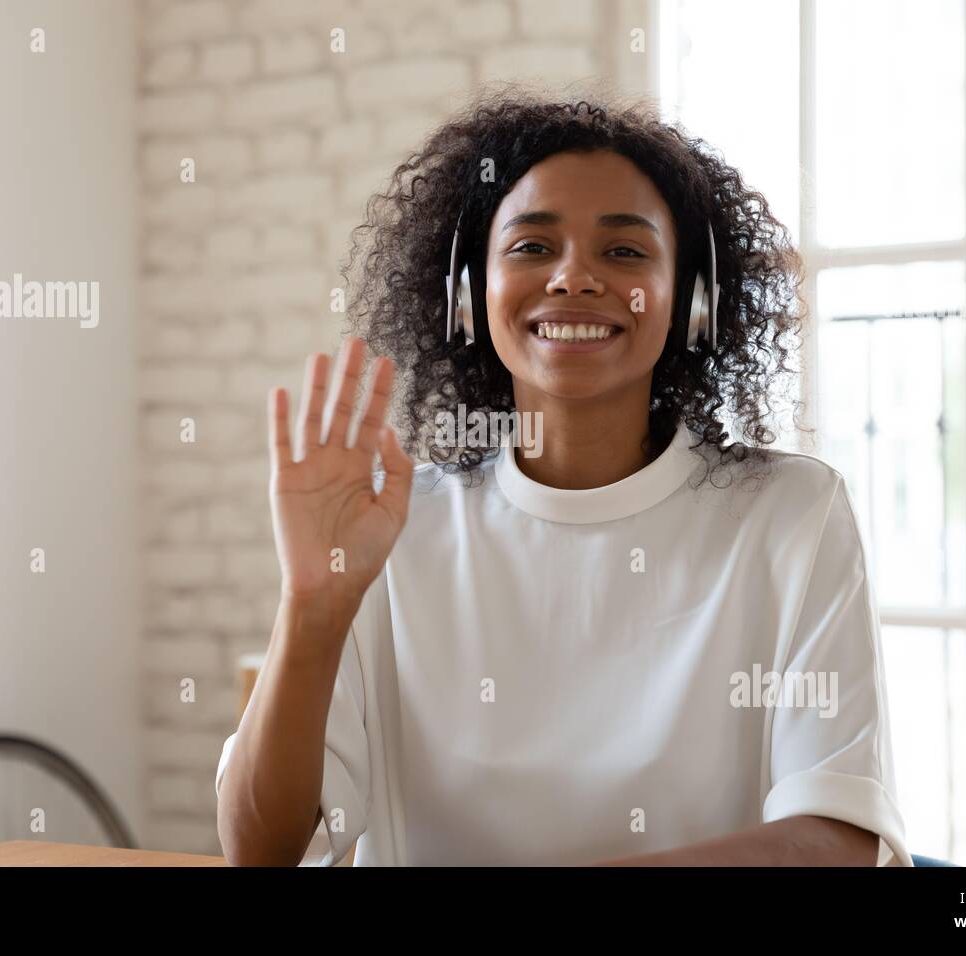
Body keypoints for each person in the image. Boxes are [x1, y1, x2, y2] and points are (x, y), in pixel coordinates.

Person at [214, 90, 911, 867]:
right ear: (468, 294)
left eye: (624, 251)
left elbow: (835, 841)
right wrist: (311, 605)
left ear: (692, 298)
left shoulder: (791, 516)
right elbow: (259, 850)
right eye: (530, 247)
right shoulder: (394, 525)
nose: (573, 277)